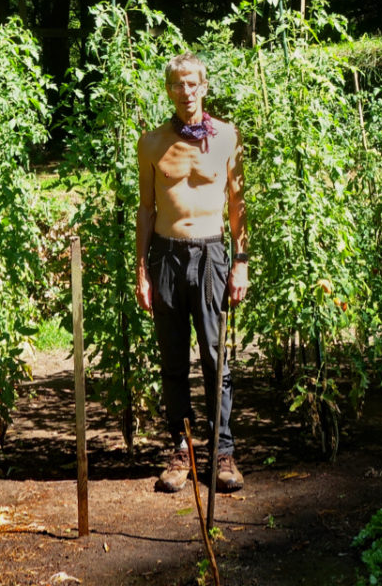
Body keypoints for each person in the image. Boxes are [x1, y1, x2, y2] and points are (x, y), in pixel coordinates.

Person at [136, 53, 249, 493]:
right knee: (172, 361)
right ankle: (180, 451)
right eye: (178, 85)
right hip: (166, 256)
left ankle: (223, 453)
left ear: (205, 87)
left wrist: (240, 263)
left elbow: (238, 207)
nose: (186, 92)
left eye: (193, 83)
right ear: (169, 90)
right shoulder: (151, 143)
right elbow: (146, 209)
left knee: (215, 358)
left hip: (211, 256)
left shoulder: (226, 138)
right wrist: (142, 270)